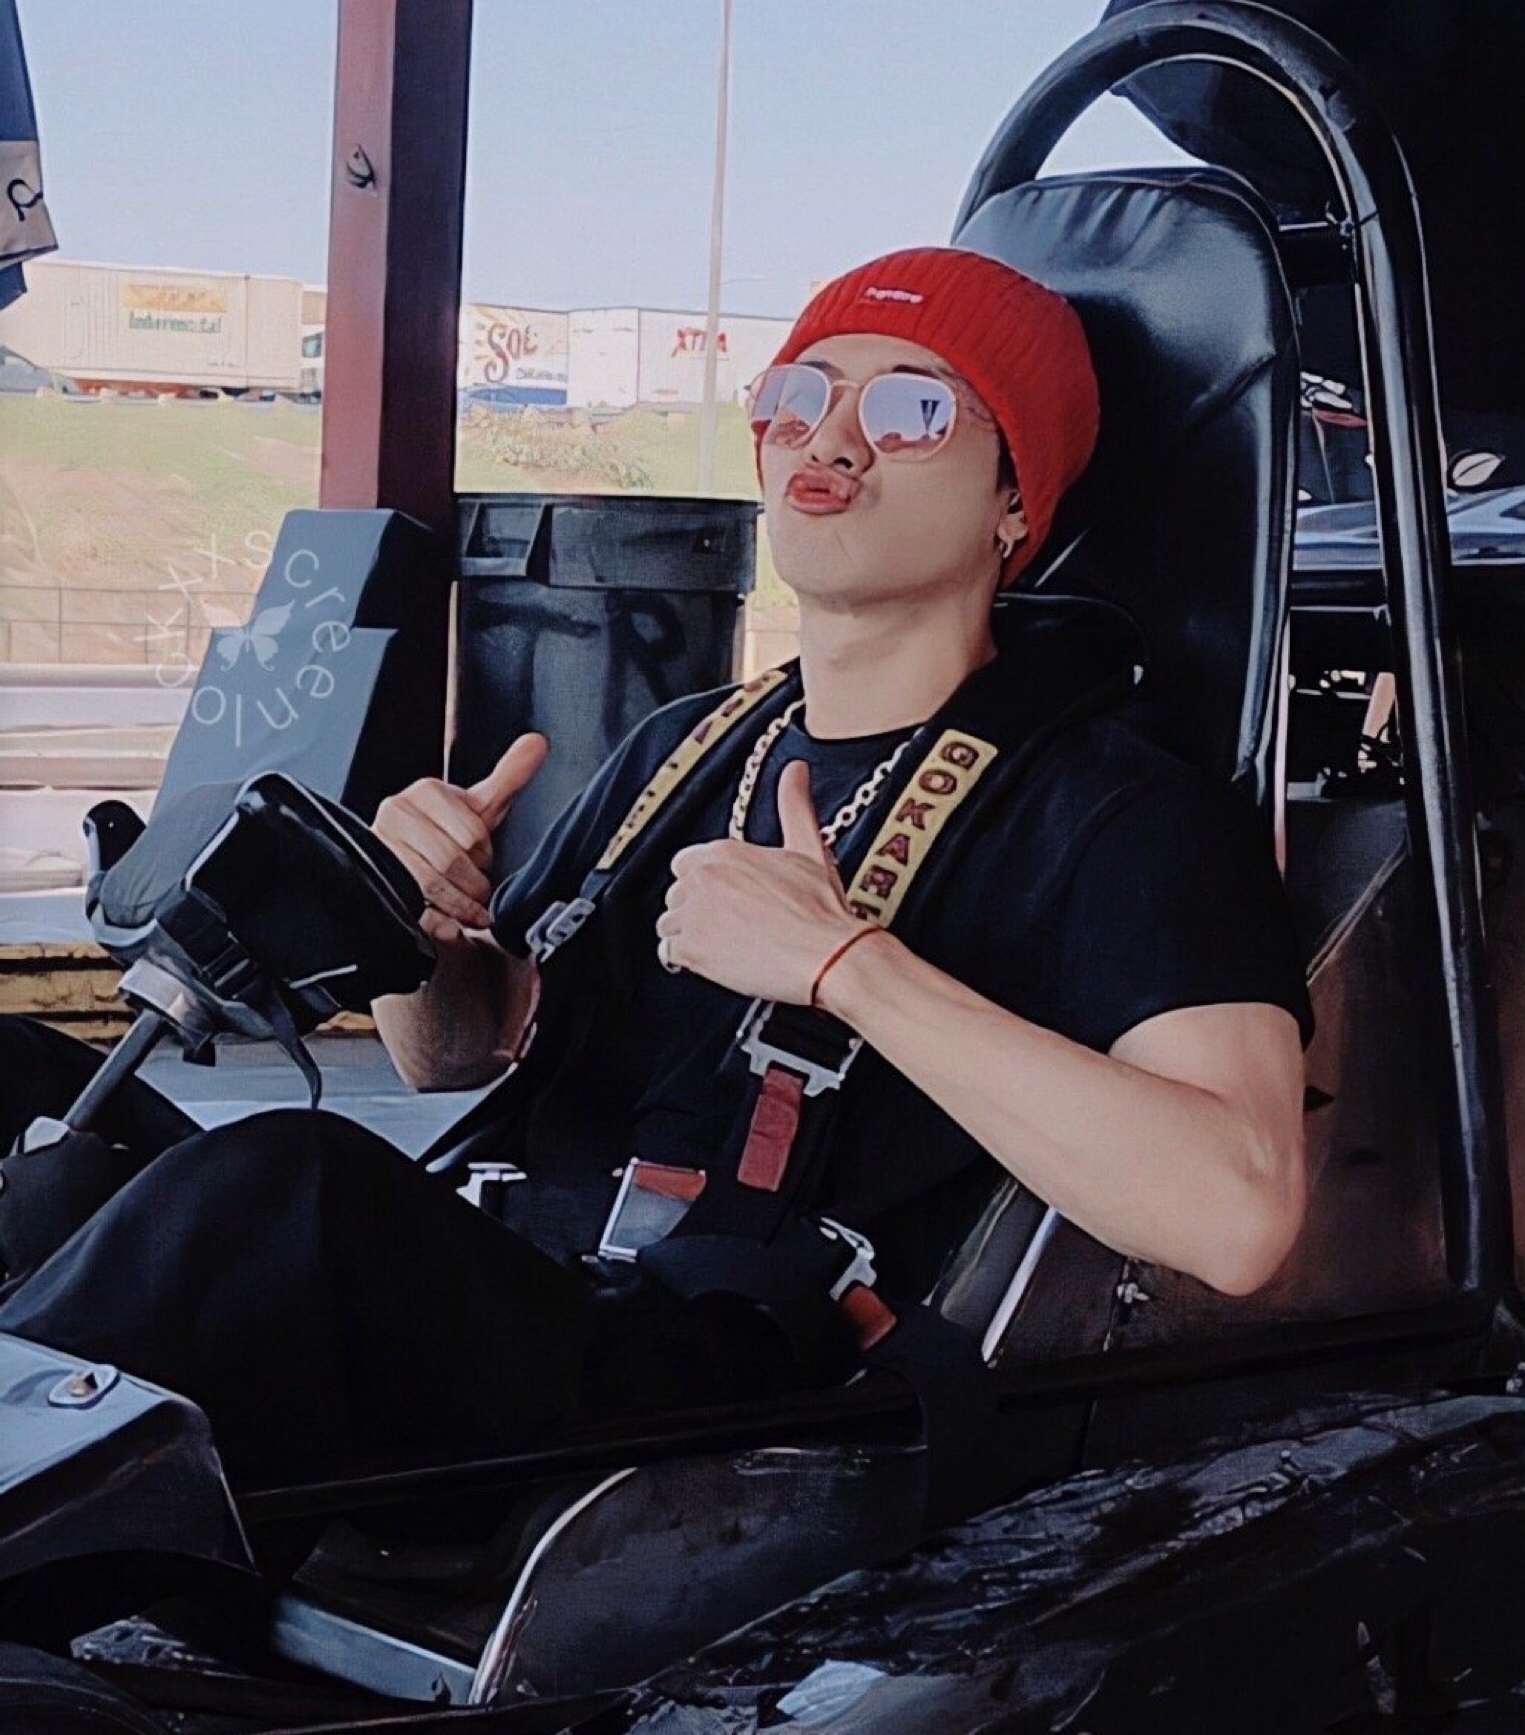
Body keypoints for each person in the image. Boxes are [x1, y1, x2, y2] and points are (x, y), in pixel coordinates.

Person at [0, 248, 1309, 1494]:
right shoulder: (685, 747)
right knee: (18, 1075)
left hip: (734, 1368)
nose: (830, 441)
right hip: (527, 1281)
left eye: (912, 411)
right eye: (799, 395)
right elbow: (455, 1056)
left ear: (1016, 500)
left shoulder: (1119, 810)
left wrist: (849, 968)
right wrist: (424, 931)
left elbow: (1238, 1212)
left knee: (285, 1192)